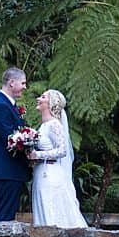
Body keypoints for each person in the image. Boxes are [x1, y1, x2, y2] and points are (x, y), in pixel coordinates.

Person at [29, 89, 86, 229]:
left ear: (50, 104)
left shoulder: (54, 124)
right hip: (41, 172)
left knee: (51, 209)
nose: (38, 99)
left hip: (50, 174)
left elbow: (62, 150)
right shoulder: (44, 125)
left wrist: (38, 155)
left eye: (42, 97)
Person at [0, 66, 31, 221]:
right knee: (5, 216)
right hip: (7, 169)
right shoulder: (0, 106)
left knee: (8, 213)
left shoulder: (7, 104)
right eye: (23, 83)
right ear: (12, 83)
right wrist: (29, 145)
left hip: (11, 170)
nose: (25, 87)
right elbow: (10, 139)